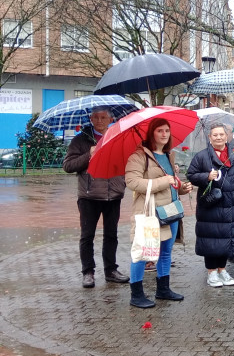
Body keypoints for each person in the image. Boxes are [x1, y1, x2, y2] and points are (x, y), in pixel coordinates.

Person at [124, 118, 193, 307]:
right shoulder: (139, 157)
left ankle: (163, 289)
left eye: (167, 131)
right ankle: (136, 294)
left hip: (169, 211)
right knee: (143, 252)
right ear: (151, 133)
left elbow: (170, 182)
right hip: (149, 213)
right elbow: (132, 183)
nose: (164, 134)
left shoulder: (168, 155)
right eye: (160, 131)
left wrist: (181, 188)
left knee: (165, 252)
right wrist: (164, 181)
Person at [63, 107, 128, 288]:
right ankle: (88, 272)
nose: (99, 121)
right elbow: (68, 166)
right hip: (89, 196)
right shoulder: (81, 140)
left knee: (111, 235)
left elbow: (127, 161)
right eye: (96, 117)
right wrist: (88, 155)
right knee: (87, 235)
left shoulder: (118, 137)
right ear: (90, 119)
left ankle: (111, 271)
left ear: (110, 118)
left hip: (113, 194)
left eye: (103, 117)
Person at [187, 124, 234, 287]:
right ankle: (211, 272)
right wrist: (206, 176)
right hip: (211, 205)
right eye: (215, 135)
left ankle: (222, 269)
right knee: (211, 239)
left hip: (232, 204)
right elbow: (191, 175)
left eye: (221, 134)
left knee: (226, 238)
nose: (219, 137)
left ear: (227, 136)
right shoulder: (201, 157)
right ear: (209, 138)